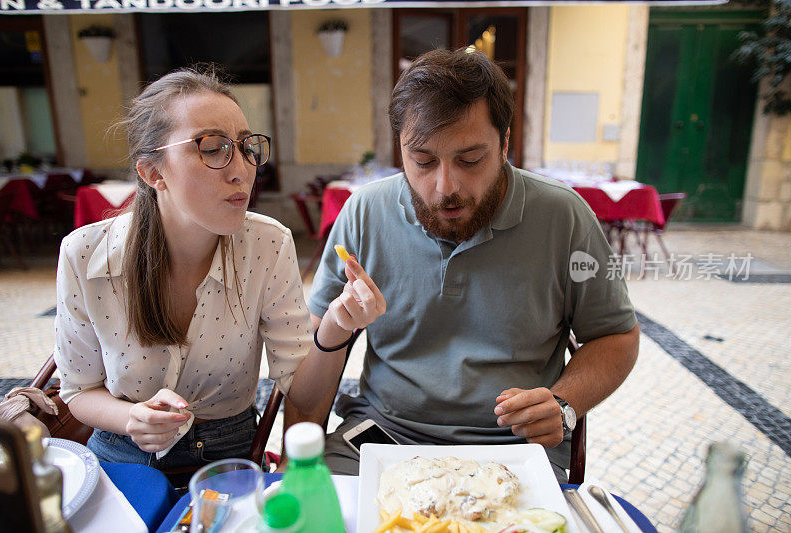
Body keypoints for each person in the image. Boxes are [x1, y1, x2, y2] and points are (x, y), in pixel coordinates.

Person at [300, 49, 640, 481]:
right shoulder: (364, 212)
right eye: (422, 161)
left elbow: (616, 335)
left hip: (515, 446)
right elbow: (313, 348)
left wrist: (564, 403)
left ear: (505, 143)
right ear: (400, 149)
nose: (445, 187)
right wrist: (336, 323)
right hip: (383, 434)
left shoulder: (564, 217)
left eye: (471, 160)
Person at [53, 67, 385, 476]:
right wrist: (130, 419)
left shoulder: (268, 244)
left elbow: (298, 391)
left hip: (229, 451)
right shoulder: (85, 254)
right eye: (212, 148)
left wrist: (336, 325)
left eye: (246, 147)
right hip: (123, 454)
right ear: (153, 173)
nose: (242, 169)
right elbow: (78, 390)